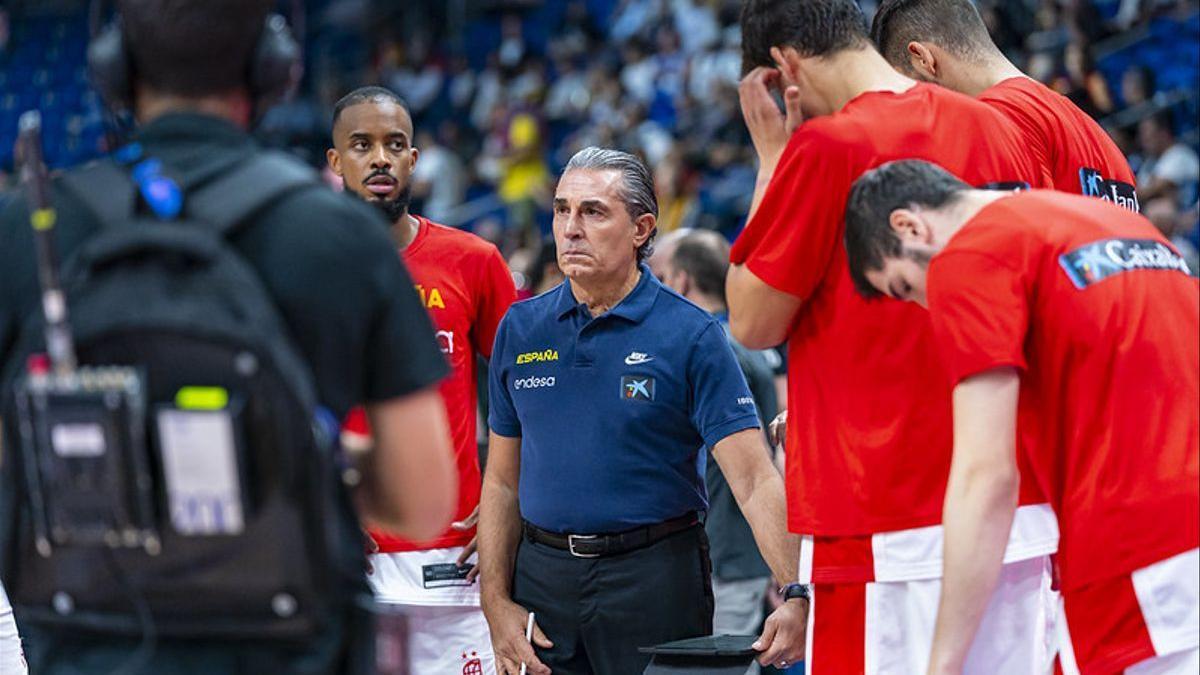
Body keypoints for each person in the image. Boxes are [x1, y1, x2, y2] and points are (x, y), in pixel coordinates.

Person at [0, 1, 458, 672]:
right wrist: (296, 456)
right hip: (287, 643)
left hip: (90, 641)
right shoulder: (339, 235)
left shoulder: (25, 229)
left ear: (114, 69)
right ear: (273, 69)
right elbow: (422, 500)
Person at [728, 1, 1058, 672]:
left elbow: (751, 319)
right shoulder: (998, 127)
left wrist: (770, 160)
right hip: (1014, 509)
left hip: (885, 517)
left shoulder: (827, 145)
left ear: (784, 70)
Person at [842, 159, 1199, 675]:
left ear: (909, 226)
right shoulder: (1118, 223)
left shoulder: (969, 255)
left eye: (906, 287)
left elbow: (985, 477)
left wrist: (941, 663)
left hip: (1141, 555)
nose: (923, 306)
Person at [478, 147, 805, 675]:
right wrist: (495, 602)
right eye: (562, 210)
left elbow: (753, 478)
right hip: (542, 582)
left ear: (641, 228)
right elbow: (500, 483)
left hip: (655, 577)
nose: (570, 228)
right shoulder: (520, 328)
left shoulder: (693, 336)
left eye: (593, 211)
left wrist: (796, 590)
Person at [327, 85, 517, 675]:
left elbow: (532, 392)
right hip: (343, 565)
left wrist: (507, 507)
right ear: (336, 162)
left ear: (414, 160)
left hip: (457, 571)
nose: (380, 158)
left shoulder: (473, 260)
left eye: (395, 145)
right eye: (362, 145)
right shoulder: (302, 264)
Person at [870, 0, 1138, 209]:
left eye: (909, 87)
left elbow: (1020, 250)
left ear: (923, 59)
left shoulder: (993, 118)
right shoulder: (1092, 131)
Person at [658, 230, 779, 669]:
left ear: (683, 281)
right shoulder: (753, 347)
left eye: (664, 277)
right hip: (742, 549)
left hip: (724, 551)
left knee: (720, 666)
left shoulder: (713, 348)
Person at [1137, 110, 1200, 208]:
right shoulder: (1149, 162)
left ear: (1164, 133)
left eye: (1148, 135)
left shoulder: (1180, 154)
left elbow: (1150, 191)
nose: (1144, 141)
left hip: (1188, 213)